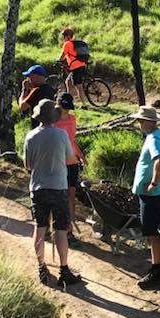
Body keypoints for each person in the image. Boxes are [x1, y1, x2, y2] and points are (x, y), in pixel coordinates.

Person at [23, 99, 82, 287]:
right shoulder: (61, 134)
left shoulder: (31, 136)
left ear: (39, 117)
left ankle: (42, 267)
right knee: (61, 230)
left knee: (40, 228)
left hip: (38, 187)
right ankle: (64, 269)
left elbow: (28, 166)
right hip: (59, 186)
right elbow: (70, 158)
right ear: (54, 117)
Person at [131, 106, 160, 289]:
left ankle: (156, 270)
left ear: (149, 122)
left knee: (153, 233)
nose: (139, 124)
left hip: (153, 193)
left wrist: (154, 182)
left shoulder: (154, 138)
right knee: (158, 230)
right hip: (156, 192)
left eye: (141, 121)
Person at [54, 92, 86, 248]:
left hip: (72, 162)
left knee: (71, 197)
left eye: (67, 108)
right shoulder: (51, 120)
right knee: (57, 196)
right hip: (57, 163)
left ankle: (69, 231)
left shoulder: (72, 119)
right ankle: (53, 228)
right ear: (57, 103)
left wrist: (81, 156)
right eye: (63, 107)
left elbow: (72, 140)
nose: (65, 111)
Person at [18, 64, 56, 129]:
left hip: (38, 128)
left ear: (35, 76)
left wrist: (24, 89)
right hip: (51, 126)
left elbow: (22, 106)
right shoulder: (51, 90)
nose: (28, 79)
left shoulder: (37, 91)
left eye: (29, 76)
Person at [58, 27, 87, 103]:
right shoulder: (75, 43)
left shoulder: (67, 44)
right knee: (68, 82)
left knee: (78, 86)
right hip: (82, 65)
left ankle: (84, 104)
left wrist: (58, 60)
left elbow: (62, 56)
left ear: (67, 36)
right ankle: (68, 102)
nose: (63, 38)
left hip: (76, 67)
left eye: (64, 36)